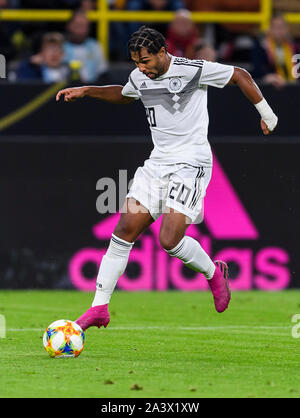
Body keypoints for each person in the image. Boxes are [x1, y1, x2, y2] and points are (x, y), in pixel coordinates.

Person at [56, 26, 278, 331]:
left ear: (163, 52)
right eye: (136, 62)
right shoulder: (140, 77)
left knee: (169, 240)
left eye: (145, 60)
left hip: (191, 163)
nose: (141, 68)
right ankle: (99, 307)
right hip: (157, 163)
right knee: (124, 229)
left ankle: (214, 273)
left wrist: (266, 113)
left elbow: (239, 74)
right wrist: (87, 90)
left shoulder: (192, 70)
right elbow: (124, 94)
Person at [251, 14, 299, 88]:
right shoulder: (261, 47)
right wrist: (267, 77)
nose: (279, 30)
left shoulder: (295, 48)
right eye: (276, 27)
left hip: (293, 88)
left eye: (282, 27)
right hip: (270, 88)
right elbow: (257, 69)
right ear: (269, 28)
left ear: (287, 29)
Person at [63, 10, 108, 83]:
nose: (81, 30)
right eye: (78, 25)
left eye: (84, 26)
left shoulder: (95, 46)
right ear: (69, 26)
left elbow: (102, 73)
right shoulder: (60, 47)